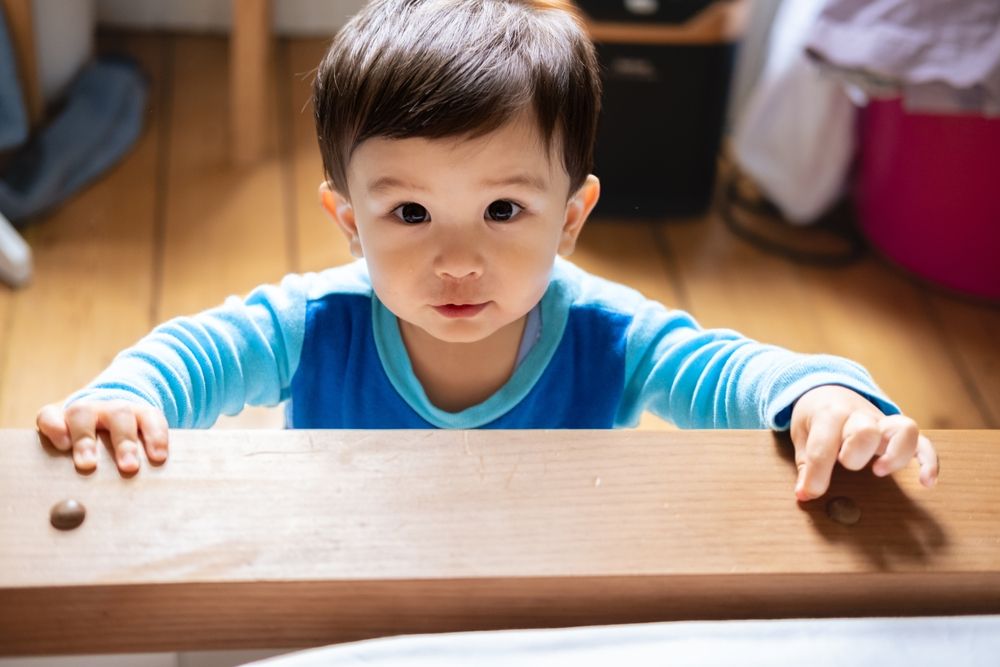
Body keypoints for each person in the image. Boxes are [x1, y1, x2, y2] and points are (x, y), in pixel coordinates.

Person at [36, 0, 938, 502]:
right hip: (342, 578)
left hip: (537, 594)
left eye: (504, 208)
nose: (458, 260)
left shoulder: (608, 334)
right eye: (411, 215)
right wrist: (127, 395)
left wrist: (821, 394)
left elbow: (728, 372)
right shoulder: (316, 324)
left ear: (571, 218)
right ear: (349, 222)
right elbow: (198, 353)